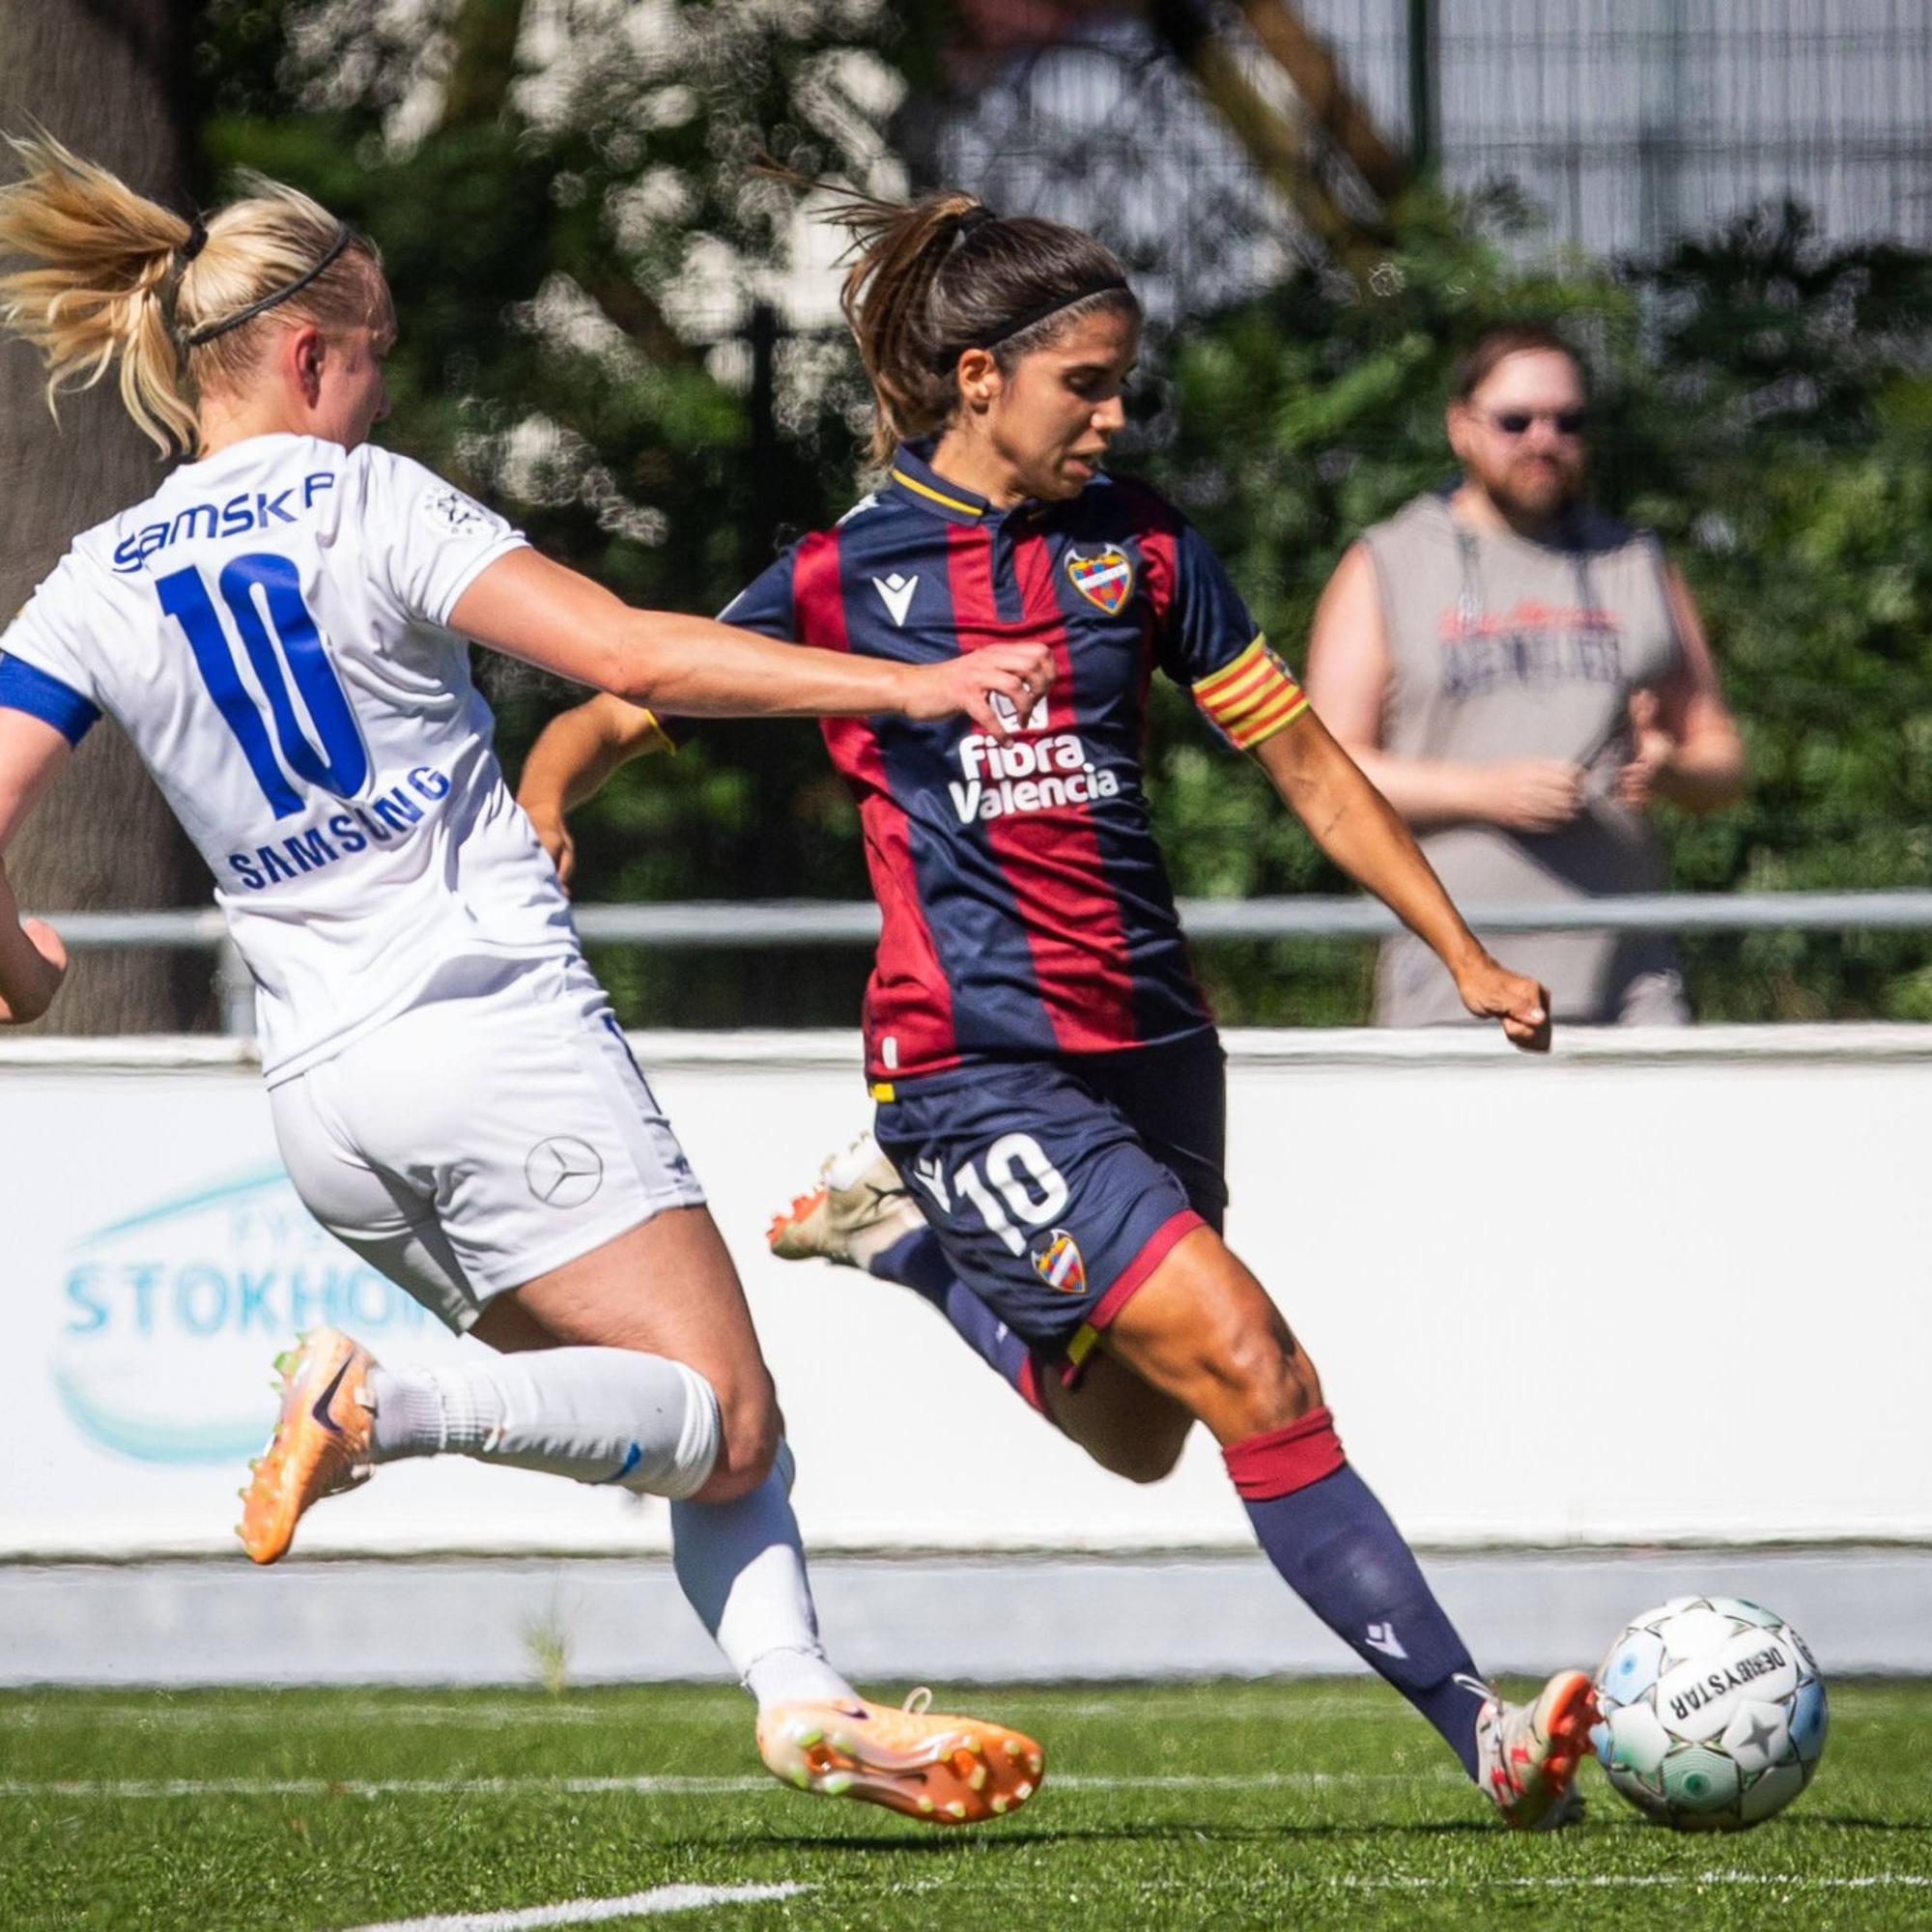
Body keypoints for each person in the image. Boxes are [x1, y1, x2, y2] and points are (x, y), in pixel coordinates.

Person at [0, 134, 1053, 1826]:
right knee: (717, 1412)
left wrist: (22, 972)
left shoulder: (97, 576)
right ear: (307, 353)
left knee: (693, 1422)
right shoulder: (367, 497)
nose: (378, 389)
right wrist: (914, 687)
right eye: (380, 356)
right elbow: (635, 656)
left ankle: (803, 1701)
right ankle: (378, 1403)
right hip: (490, 1034)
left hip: (325, 1108)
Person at [519, 187, 1594, 1828]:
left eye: (1119, 384)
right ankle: (1486, 1731)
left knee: (1144, 1436)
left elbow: (1306, 761)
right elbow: (630, 697)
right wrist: (548, 792)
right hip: (973, 1067)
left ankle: (907, 1251)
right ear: (973, 380)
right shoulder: (842, 577)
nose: (1111, 413)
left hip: (1158, 1049)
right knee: (1257, 1365)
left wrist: (1459, 951)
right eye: (1081, 383)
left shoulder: (1142, 548)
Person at [1303, 322, 1746, 1026]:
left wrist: (1671, 769)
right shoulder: (1387, 562)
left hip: (1630, 980)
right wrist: (1484, 792)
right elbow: (1322, 772)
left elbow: (1722, 757)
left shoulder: (1635, 560)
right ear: (1460, 427)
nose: (1544, 441)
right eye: (1516, 421)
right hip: (1456, 977)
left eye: (1567, 422)